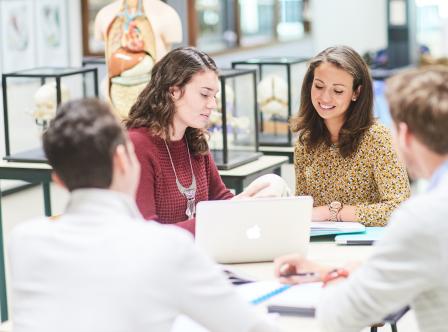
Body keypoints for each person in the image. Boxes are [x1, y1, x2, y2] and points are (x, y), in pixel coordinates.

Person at [275, 67, 448, 332]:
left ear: (405, 135)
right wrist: (342, 270)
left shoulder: (425, 217)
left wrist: (333, 278)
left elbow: (340, 317)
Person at [8, 99, 276, 332]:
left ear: (58, 180)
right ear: (123, 158)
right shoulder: (166, 247)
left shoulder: (23, 242)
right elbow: (248, 326)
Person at [124, 47, 269, 235]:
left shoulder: (194, 139)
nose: (213, 104)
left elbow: (220, 198)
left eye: (214, 95)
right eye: (204, 94)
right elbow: (147, 232)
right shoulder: (138, 145)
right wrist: (222, 217)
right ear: (174, 91)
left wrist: (252, 203)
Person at [291, 45, 410, 226]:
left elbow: (400, 209)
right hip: (319, 244)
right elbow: (304, 210)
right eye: (319, 86)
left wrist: (334, 212)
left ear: (356, 92)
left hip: (366, 246)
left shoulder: (377, 138)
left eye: (338, 91)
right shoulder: (306, 141)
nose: (325, 98)